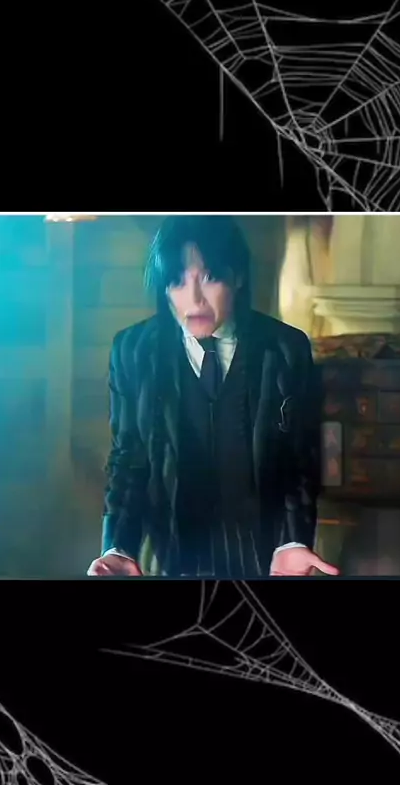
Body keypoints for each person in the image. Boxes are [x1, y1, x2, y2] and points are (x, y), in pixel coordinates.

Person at [87, 215, 339, 578]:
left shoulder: (285, 348)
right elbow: (128, 458)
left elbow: (300, 459)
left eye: (209, 278)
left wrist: (293, 540)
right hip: (169, 552)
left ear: (237, 277)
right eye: (177, 281)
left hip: (264, 554)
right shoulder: (134, 351)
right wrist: (117, 546)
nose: (194, 300)